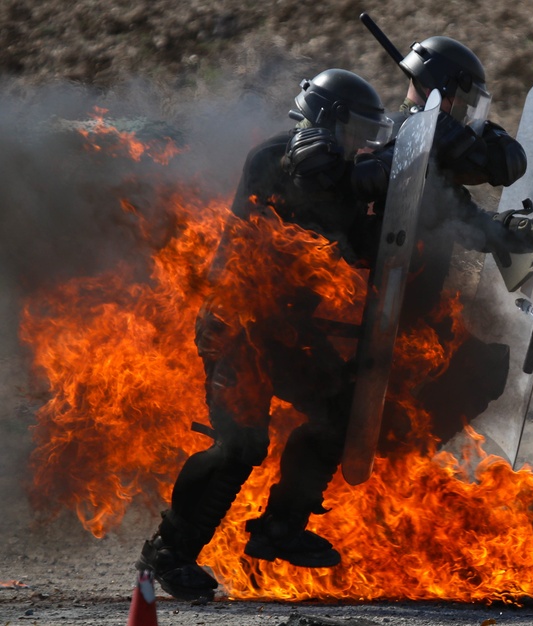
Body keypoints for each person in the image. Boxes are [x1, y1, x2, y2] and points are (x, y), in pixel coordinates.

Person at [136, 68, 396, 602]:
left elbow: (377, 239)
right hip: (238, 326)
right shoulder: (285, 155)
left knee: (344, 409)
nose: (361, 143)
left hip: (287, 332)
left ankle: (281, 527)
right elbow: (310, 165)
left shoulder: (348, 183)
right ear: (327, 120)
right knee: (241, 445)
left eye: (371, 133)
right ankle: (169, 553)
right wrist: (373, 172)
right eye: (355, 130)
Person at [358, 35, 533, 449]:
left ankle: (400, 459)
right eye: (464, 101)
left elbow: (468, 213)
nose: (468, 115)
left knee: (482, 364)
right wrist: (524, 233)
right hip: (384, 317)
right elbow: (469, 218)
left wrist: (529, 231)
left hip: (411, 314)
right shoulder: (406, 145)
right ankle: (399, 458)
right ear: (443, 91)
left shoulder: (417, 143)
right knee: (479, 368)